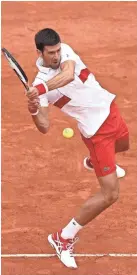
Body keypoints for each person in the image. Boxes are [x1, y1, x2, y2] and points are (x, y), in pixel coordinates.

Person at [27, 28, 129, 269]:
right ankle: (63, 238)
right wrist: (33, 107)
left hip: (110, 110)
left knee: (123, 146)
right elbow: (43, 125)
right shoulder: (39, 83)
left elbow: (69, 75)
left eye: (58, 50)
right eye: (51, 53)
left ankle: (94, 162)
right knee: (110, 194)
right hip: (96, 133)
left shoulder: (65, 57)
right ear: (40, 52)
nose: (56, 55)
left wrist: (39, 91)